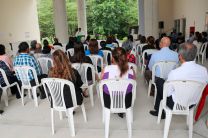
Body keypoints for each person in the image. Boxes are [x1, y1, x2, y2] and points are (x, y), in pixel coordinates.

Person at [149, 43, 208, 118]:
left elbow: (167, 93)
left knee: (159, 81)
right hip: (192, 104)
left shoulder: (175, 73)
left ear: (180, 56)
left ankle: (159, 111)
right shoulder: (204, 70)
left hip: (174, 104)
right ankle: (158, 109)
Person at [101, 47, 136, 118]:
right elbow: (134, 81)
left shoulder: (106, 68)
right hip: (126, 102)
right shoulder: (130, 70)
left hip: (109, 102)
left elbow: (101, 80)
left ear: (113, 58)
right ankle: (122, 109)